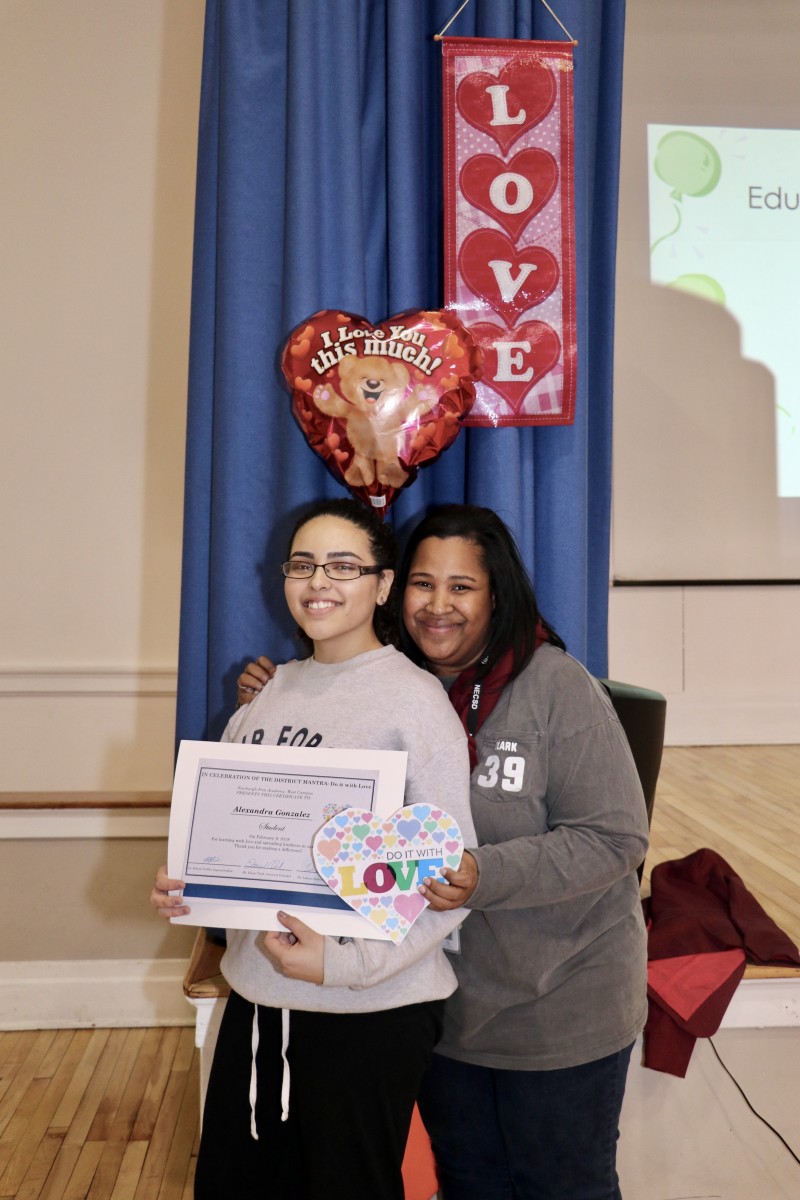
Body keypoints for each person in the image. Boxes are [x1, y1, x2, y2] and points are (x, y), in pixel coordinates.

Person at [237, 503, 650, 1200]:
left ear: (498, 594)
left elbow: (615, 838)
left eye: (462, 587)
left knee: (562, 1187)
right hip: (447, 1011)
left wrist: (481, 873)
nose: (438, 605)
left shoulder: (556, 688)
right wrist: (284, 698)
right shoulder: (392, 690)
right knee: (469, 1184)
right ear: (398, 589)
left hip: (557, 1008)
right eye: (425, 583)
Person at [151, 497, 476, 1200]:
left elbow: (445, 890)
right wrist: (191, 881)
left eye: (343, 566)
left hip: (368, 1015)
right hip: (259, 1002)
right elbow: (232, 840)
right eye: (303, 565)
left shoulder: (414, 704)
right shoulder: (267, 695)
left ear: (382, 585)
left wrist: (344, 964)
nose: (318, 582)